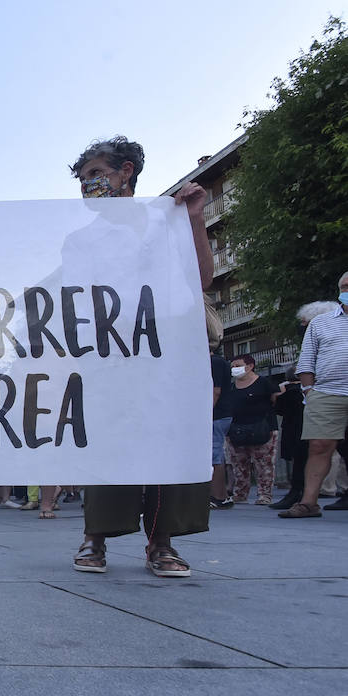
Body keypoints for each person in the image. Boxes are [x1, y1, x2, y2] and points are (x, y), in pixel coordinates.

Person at [67, 137, 214, 577]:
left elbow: (203, 279)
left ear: (126, 171)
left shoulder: (168, 221)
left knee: (169, 438)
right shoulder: (81, 239)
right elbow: (75, 299)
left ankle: (162, 541)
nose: (88, 185)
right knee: (109, 438)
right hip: (110, 352)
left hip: (168, 349)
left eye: (96, 174)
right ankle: (95, 535)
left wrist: (195, 220)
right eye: (83, 179)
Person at [280, 272, 348, 518]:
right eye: (345, 286)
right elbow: (306, 361)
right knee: (319, 446)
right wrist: (309, 392)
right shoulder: (321, 322)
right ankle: (309, 503)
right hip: (327, 392)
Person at [224, 354, 281, 505]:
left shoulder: (264, 383)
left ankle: (265, 495)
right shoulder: (231, 387)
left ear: (250, 366)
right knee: (239, 465)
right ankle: (240, 494)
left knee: (264, 465)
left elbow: (275, 399)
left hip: (263, 429)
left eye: (238, 366)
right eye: (232, 366)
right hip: (237, 430)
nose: (234, 369)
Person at [210, 346, 236, 509]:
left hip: (216, 414)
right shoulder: (218, 362)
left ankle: (219, 496)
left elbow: (215, 391)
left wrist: (205, 414)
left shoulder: (214, 363)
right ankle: (219, 495)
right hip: (219, 414)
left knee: (214, 454)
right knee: (214, 453)